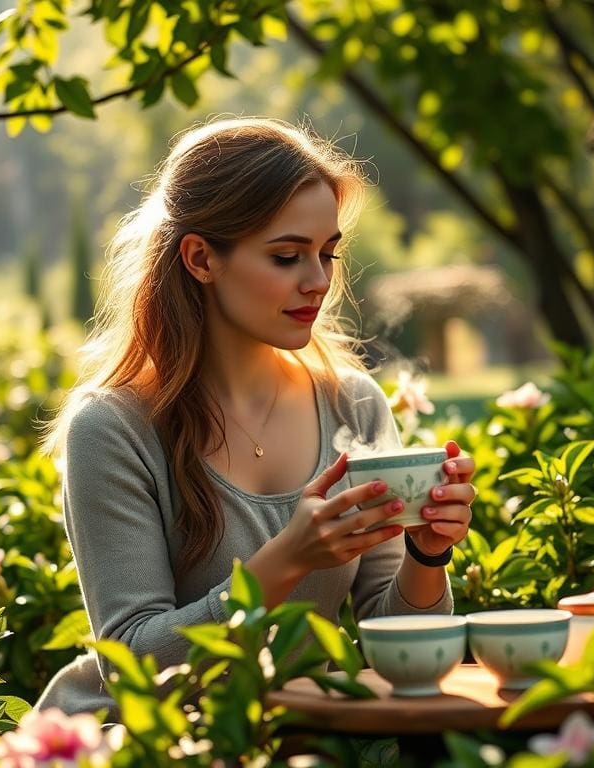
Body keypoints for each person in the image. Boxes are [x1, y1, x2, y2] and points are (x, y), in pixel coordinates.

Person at [35, 117, 475, 718]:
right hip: (129, 745)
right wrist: (286, 560)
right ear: (200, 259)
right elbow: (133, 668)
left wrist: (427, 554)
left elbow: (398, 648)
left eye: (327, 254)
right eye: (288, 255)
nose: (318, 281)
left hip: (291, 742)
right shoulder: (115, 428)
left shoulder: (354, 405)